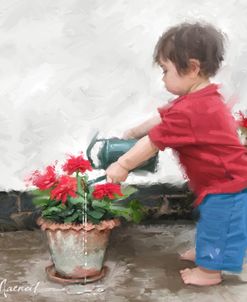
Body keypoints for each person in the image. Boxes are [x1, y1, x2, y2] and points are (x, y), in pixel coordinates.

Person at [106, 22, 247, 286]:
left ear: (192, 68)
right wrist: (134, 130)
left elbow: (153, 142)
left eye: (165, 70)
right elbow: (161, 120)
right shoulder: (199, 100)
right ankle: (208, 254)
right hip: (224, 181)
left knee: (219, 226)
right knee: (215, 222)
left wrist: (122, 164)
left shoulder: (192, 110)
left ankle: (209, 272)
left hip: (227, 183)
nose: (162, 77)